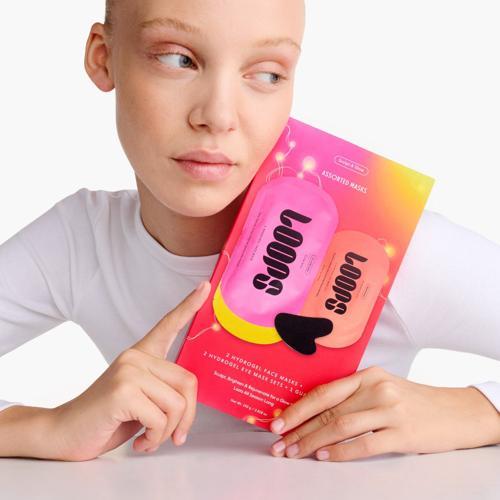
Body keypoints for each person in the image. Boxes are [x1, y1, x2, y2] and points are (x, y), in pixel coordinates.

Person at [0, 0, 499, 462]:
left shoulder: (390, 248)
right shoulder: (79, 243)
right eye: (177, 59)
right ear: (103, 58)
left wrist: (477, 411)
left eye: (266, 73)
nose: (218, 117)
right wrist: (47, 428)